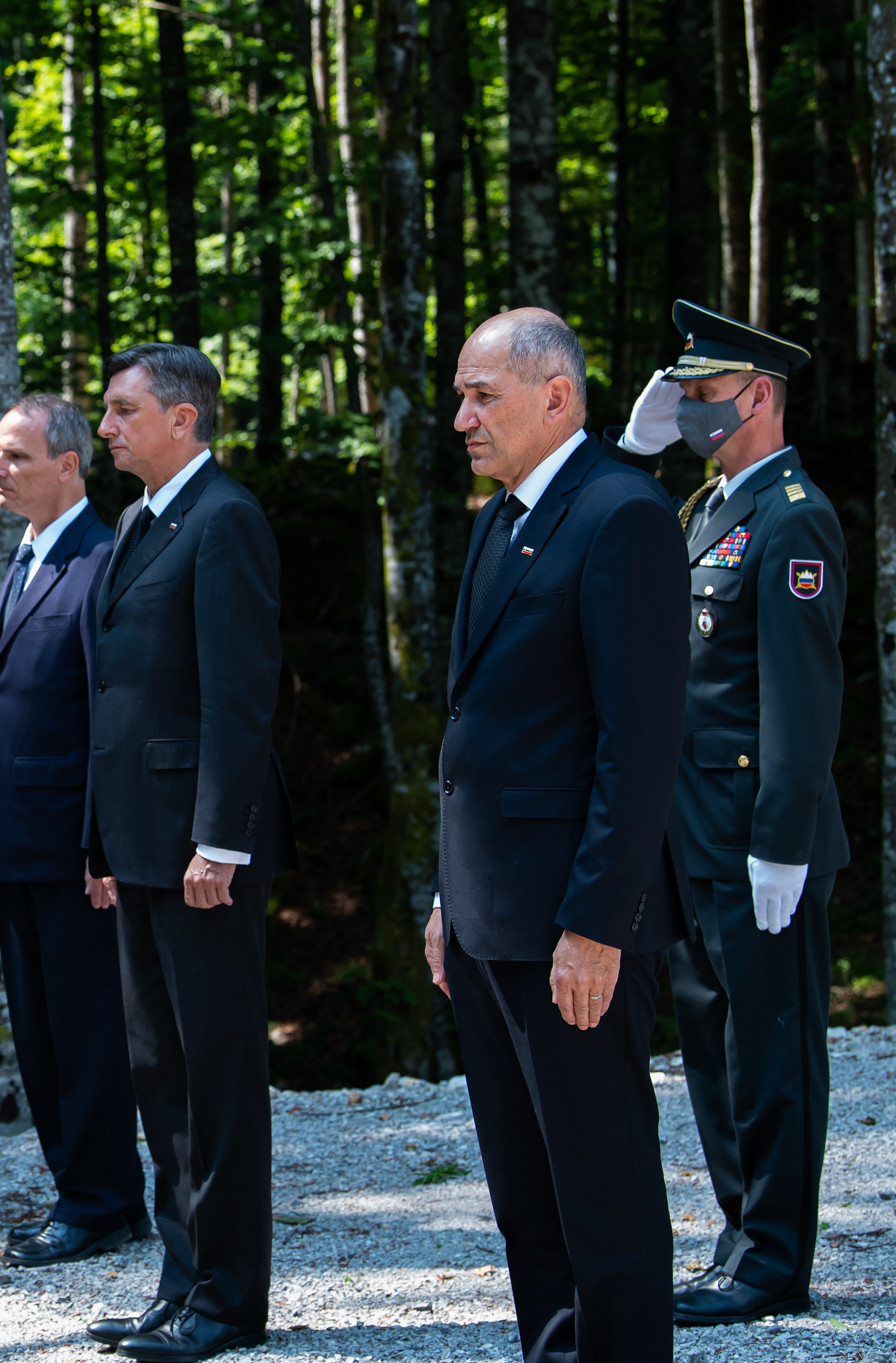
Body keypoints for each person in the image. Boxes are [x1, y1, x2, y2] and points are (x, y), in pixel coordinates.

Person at [424, 308, 690, 1363]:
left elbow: (638, 745)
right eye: (458, 393)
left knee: (601, 1187)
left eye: (481, 394)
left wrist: (595, 922)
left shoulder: (620, 515)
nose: (460, 418)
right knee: (524, 1195)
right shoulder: (499, 519)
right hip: (491, 911)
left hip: (571, 921)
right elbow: (479, 732)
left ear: (557, 396)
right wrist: (450, 896)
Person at [612, 302, 845, 1327]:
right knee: (707, 1041)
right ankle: (735, 1233)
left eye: (700, 395)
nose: (687, 411)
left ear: (756, 395)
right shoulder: (704, 509)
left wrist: (781, 843)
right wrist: (631, 451)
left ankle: (772, 1260)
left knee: (768, 1047)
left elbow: (800, 697)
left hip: (755, 834)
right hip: (691, 828)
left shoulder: (792, 516)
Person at [82, 344, 297, 1363]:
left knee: (214, 1072)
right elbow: (115, 697)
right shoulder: (135, 521)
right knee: (156, 1068)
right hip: (136, 842)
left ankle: (228, 1298)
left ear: (181, 418)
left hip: (199, 848)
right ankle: (180, 1278)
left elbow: (240, 693)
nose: (106, 428)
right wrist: (101, 841)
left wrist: (220, 836)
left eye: (122, 411)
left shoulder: (224, 520)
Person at [0, 394, 146, 1268]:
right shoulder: (28, 555)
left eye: (15, 456)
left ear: (69, 465)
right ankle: (78, 1186)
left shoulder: (99, 559)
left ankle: (104, 1200)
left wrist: (97, 842)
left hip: (71, 848)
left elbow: (106, 718)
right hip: (14, 836)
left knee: (82, 1028)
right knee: (38, 1030)